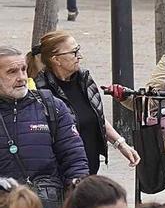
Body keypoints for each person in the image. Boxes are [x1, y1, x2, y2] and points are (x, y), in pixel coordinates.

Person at [32, 32, 137, 175]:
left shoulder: (84, 78)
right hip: (60, 174)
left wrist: (121, 144)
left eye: (78, 50)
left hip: (89, 169)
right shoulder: (40, 90)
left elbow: (97, 116)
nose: (80, 56)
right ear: (56, 59)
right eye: (74, 52)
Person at [0, 48, 85, 208]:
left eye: (23, 69)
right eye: (12, 72)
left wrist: (79, 196)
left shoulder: (51, 106)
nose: (22, 78)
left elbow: (74, 158)